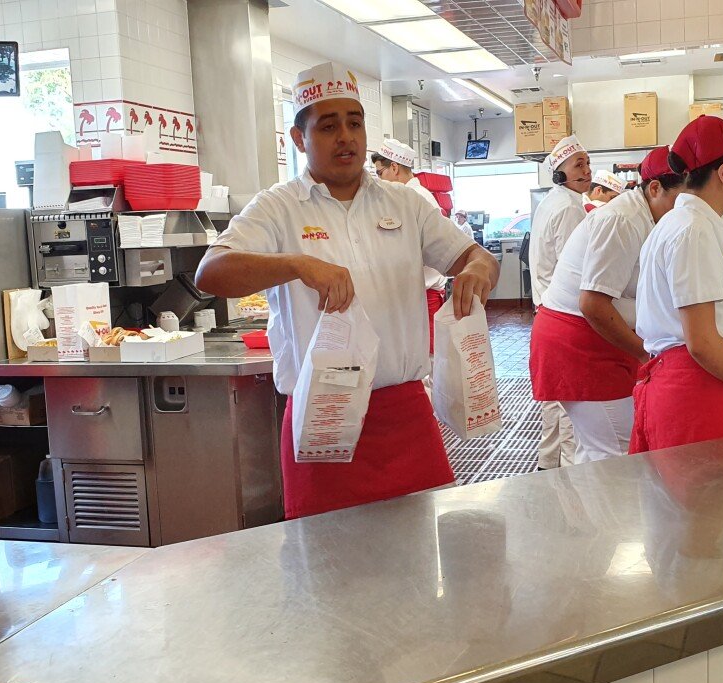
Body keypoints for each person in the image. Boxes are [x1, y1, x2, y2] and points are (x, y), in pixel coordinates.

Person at [195, 62, 499, 519]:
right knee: (326, 570)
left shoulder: (405, 203)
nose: (346, 137)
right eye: (328, 125)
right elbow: (211, 273)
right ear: (299, 138)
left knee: (418, 567)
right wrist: (297, 263)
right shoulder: (278, 208)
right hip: (324, 417)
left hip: (405, 416)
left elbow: (477, 257)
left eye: (354, 123)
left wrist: (479, 271)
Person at [631, 115, 723, 454]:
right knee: (703, 502)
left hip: (708, 379)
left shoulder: (695, 223)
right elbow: (700, 342)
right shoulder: (693, 231)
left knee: (710, 502)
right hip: (695, 392)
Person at [531, 147, 684, 461]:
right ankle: (604, 511)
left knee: (599, 449)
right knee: (616, 452)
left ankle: (587, 509)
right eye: (682, 200)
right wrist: (644, 352)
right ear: (654, 189)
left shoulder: (646, 218)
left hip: (599, 337)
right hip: (580, 343)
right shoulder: (623, 220)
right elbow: (592, 303)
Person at [529, 134, 591, 469]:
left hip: (546, 310)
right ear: (559, 173)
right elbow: (577, 269)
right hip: (565, 312)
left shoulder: (555, 202)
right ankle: (568, 476)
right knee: (571, 400)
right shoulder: (569, 208)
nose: (587, 170)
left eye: (588, 163)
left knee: (554, 399)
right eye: (578, 164)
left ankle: (547, 464)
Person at [372, 138, 448, 353]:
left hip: (423, 295)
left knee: (425, 359)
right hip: (416, 295)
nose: (378, 180)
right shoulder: (413, 196)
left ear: (394, 168)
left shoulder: (414, 198)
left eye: (380, 173)